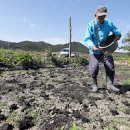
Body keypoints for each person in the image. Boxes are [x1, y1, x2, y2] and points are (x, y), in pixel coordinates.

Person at [84, 6, 121, 92]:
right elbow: (87, 38)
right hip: (94, 50)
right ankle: (94, 85)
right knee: (94, 68)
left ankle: (110, 85)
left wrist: (117, 35)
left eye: (103, 15)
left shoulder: (109, 23)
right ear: (95, 15)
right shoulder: (91, 24)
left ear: (105, 15)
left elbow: (116, 31)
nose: (101, 17)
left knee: (110, 66)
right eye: (99, 15)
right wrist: (92, 46)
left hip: (106, 49)